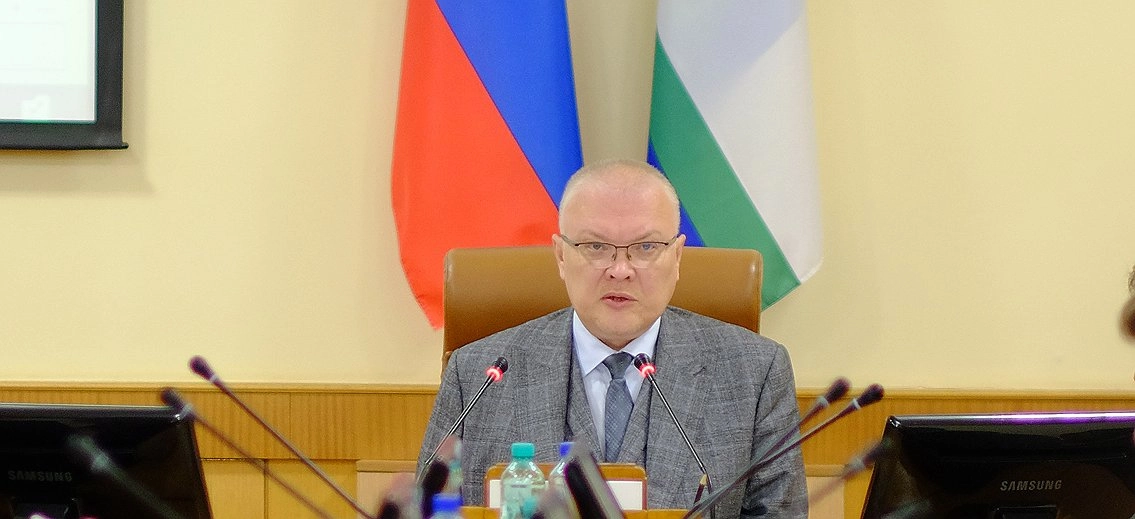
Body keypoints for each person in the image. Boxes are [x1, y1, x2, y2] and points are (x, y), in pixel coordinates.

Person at [418, 159, 808, 517]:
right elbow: (426, 511)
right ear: (560, 256)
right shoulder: (478, 376)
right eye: (596, 247)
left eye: (646, 247)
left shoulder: (754, 374)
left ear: (677, 257)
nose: (620, 269)